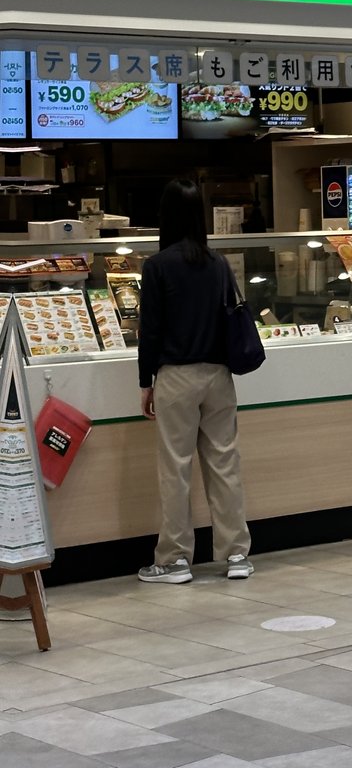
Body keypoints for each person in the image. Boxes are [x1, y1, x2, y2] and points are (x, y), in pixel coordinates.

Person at [137, 177, 253, 584]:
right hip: (219, 377)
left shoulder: (157, 266)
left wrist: (145, 382)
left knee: (176, 468)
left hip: (177, 377)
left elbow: (149, 331)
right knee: (225, 463)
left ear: (165, 216)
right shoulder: (218, 263)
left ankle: (173, 560)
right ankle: (237, 555)